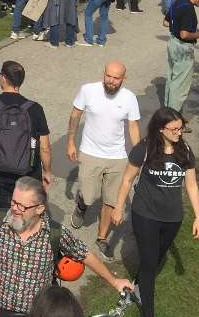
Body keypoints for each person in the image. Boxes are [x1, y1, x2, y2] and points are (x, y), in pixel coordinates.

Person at [0, 176, 132, 317]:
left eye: (22, 206)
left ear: (39, 209)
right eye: (13, 202)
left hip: (38, 313)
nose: (15, 209)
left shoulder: (55, 232)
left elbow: (85, 254)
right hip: (0, 310)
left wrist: (114, 281)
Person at [112, 108, 199, 317]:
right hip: (145, 214)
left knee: (155, 256)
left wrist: (198, 217)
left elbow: (191, 185)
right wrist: (118, 207)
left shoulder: (185, 150)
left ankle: (138, 282)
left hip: (173, 217)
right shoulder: (144, 149)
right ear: (161, 129)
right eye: (175, 129)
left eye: (181, 128)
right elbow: (127, 179)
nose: (179, 133)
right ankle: (148, 309)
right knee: (151, 263)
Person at [65, 62, 140, 258]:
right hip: (90, 152)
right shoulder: (88, 90)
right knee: (89, 195)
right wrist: (71, 142)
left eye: (116, 78)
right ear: (103, 73)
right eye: (109, 76)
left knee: (111, 200)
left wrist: (139, 152)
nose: (111, 81)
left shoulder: (129, 98)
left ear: (123, 79)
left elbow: (133, 126)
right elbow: (75, 116)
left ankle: (102, 237)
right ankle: (82, 205)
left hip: (118, 157)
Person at [0, 61, 50, 211]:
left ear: (3, 78)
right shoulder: (35, 109)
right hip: (28, 175)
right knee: (24, 215)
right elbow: (45, 147)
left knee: (2, 214)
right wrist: (46, 171)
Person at [164, 0, 199, 111]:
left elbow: (166, 22)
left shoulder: (179, 2)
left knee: (171, 79)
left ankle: (167, 111)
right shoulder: (189, 9)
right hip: (183, 48)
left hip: (172, 43)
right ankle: (173, 118)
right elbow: (184, 35)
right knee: (180, 85)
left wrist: (188, 27)